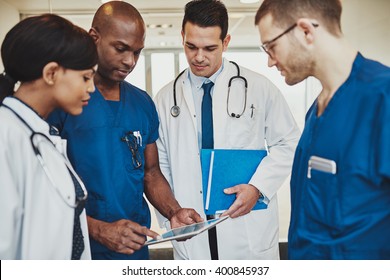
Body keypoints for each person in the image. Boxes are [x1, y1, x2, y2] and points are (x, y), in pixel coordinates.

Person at [48, 1, 202, 260]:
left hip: (133, 248)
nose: (130, 61)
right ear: (93, 37)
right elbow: (45, 191)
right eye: (120, 49)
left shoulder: (142, 103)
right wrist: (98, 229)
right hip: (78, 248)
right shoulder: (62, 101)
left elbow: (150, 174)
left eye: (137, 52)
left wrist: (173, 212)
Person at [154, 0, 300, 260]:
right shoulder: (166, 98)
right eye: (191, 46)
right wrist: (171, 213)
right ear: (182, 38)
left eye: (210, 48)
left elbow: (288, 143)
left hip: (246, 232)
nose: (199, 57)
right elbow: (160, 163)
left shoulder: (259, 88)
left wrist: (258, 187)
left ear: (226, 41)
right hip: (192, 233)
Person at [255, 0, 390, 259]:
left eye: (271, 47)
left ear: (306, 31)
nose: (270, 62)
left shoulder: (382, 99)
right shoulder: (317, 110)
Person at [0, 14, 98, 259]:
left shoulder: (40, 134)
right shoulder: (6, 133)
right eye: (85, 77)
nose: (91, 88)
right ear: (52, 73)